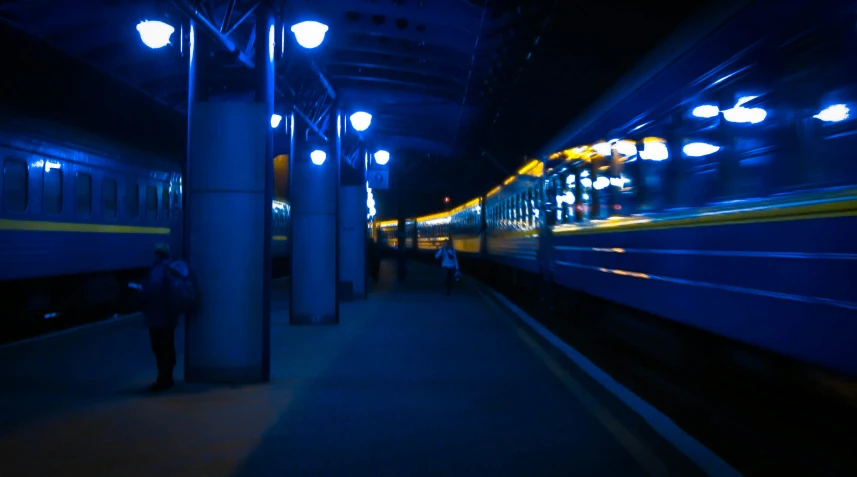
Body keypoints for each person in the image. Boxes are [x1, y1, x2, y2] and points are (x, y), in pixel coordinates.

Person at [141, 243, 180, 391]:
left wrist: (142, 298)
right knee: (168, 346)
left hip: (158, 316)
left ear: (157, 254)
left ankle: (162, 380)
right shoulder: (172, 266)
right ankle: (168, 378)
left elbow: (153, 289)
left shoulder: (158, 268)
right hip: (170, 315)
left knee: (159, 347)